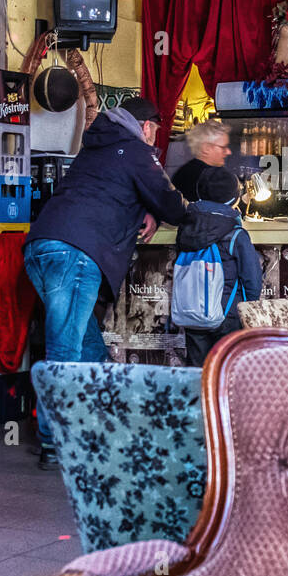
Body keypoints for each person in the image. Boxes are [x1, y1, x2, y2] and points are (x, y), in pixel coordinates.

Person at [24, 97, 189, 469]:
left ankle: (98, 428)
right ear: (146, 126)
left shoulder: (97, 145)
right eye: (155, 133)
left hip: (42, 247)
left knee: (90, 349)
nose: (154, 140)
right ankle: (56, 444)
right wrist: (188, 211)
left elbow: (116, 192)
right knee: (65, 352)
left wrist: (146, 212)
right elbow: (170, 202)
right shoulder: (135, 149)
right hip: (75, 252)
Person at [175, 167, 263, 367]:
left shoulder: (186, 228)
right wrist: (248, 309)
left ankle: (197, 399)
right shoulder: (236, 234)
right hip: (227, 315)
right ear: (234, 199)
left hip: (192, 311)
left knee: (196, 371)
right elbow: (252, 279)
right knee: (226, 370)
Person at [172, 120, 232, 202]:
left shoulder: (184, 171)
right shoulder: (212, 178)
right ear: (206, 148)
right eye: (223, 147)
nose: (229, 152)